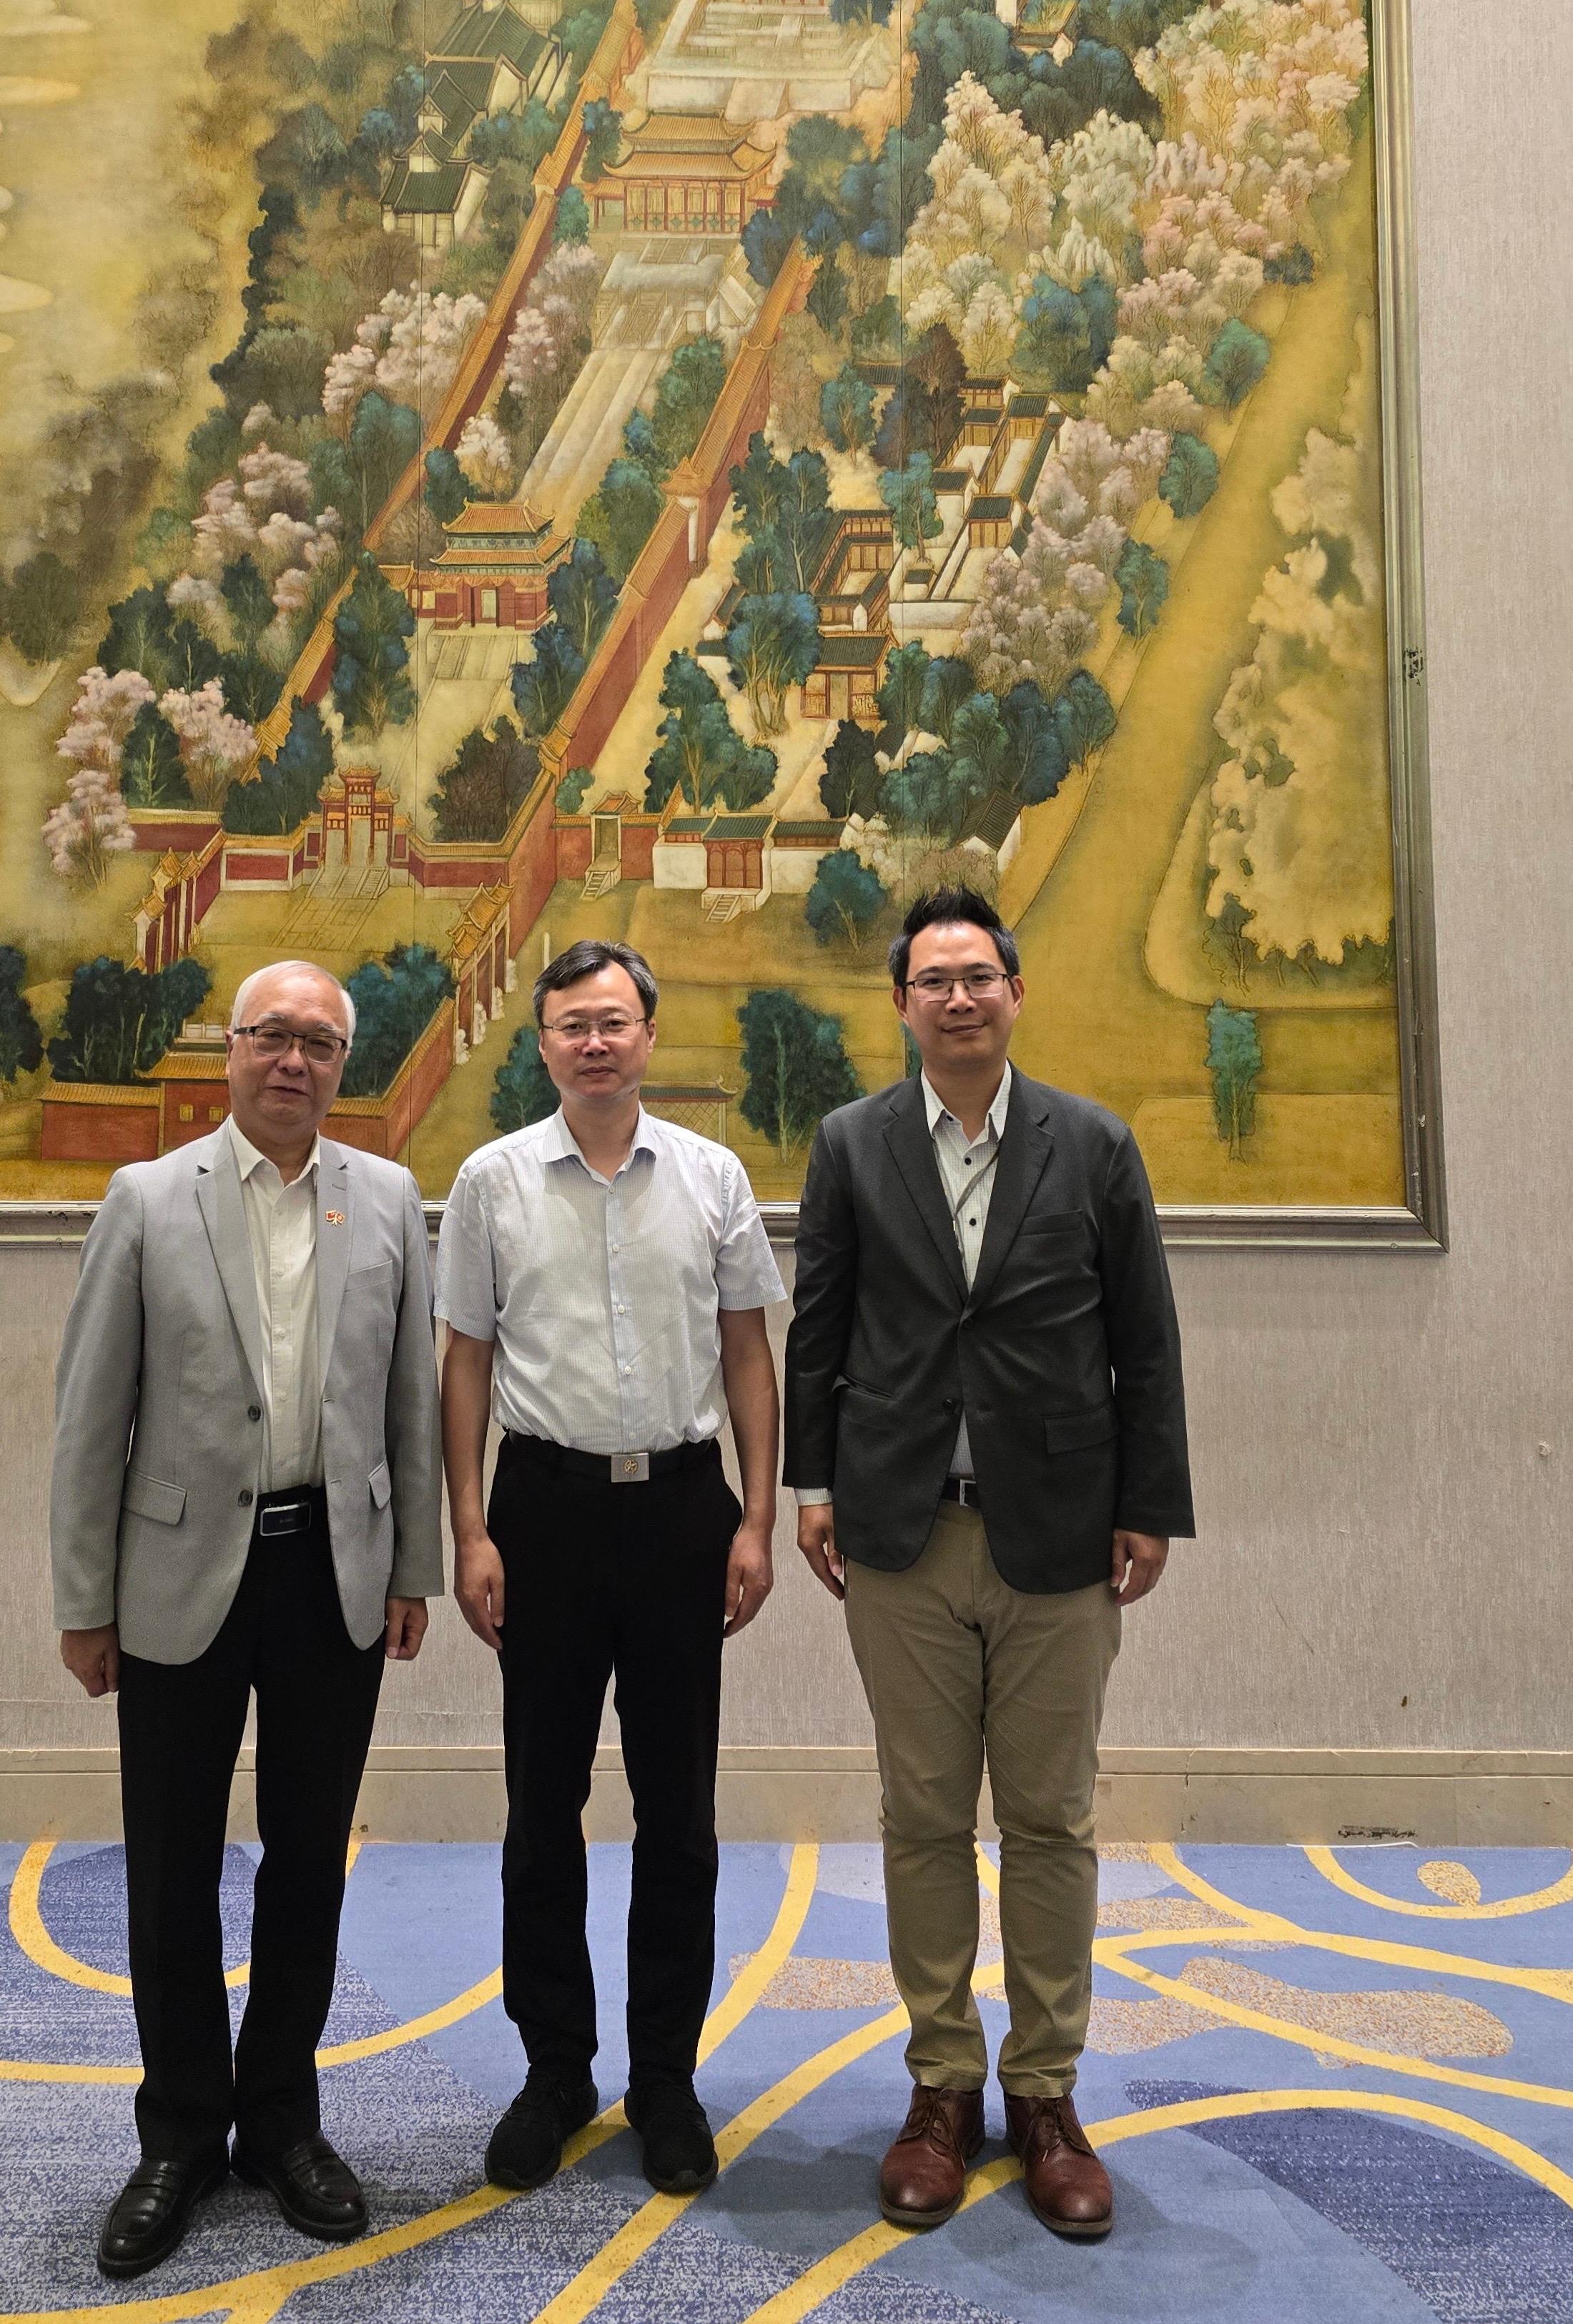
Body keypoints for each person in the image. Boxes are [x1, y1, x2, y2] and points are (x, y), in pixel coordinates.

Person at [785, 886, 1193, 2242]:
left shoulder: (1094, 1144)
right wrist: (811, 1485)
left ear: (1015, 995)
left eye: (979, 977)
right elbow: (821, 1329)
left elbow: (1146, 1336)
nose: (957, 998)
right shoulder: (852, 1144)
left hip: (1061, 1535)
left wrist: (1149, 1505)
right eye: (933, 981)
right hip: (901, 1531)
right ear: (902, 1005)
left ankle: (1048, 2093)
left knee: (1052, 1819)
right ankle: (943, 2086)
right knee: (918, 1818)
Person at [51, 957, 443, 2279]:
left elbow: (409, 1410)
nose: (294, 1061)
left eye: (321, 1043)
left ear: (345, 1066)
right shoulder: (148, 1200)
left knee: (305, 1857)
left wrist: (414, 1571)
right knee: (169, 1870)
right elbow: (88, 1420)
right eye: (272, 1036)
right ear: (230, 1052)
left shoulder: (386, 1201)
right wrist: (82, 1599)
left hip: (330, 1570)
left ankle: (280, 2119)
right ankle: (177, 2134)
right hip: (178, 1574)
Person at [436, 938, 784, 2199]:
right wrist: (468, 1532)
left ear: (649, 1038)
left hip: (685, 1510)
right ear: (542, 1045)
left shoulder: (712, 1176)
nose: (595, 1042)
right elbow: (463, 1361)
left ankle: (665, 2078)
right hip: (545, 1515)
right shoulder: (489, 1181)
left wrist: (752, 1521)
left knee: (677, 1813)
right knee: (543, 1809)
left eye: (615, 1022)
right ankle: (555, 2069)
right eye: (571, 1025)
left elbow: (749, 1352)